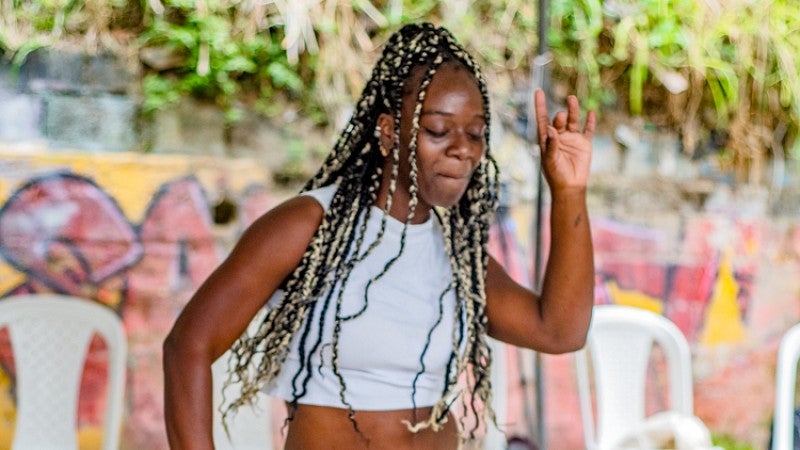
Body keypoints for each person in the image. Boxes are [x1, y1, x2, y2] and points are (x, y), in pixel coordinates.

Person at [163, 22, 596, 450]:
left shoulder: (457, 255)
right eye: (439, 131)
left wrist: (569, 191)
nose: (463, 149)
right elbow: (189, 345)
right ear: (389, 132)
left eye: (477, 134)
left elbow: (559, 331)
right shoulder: (309, 225)